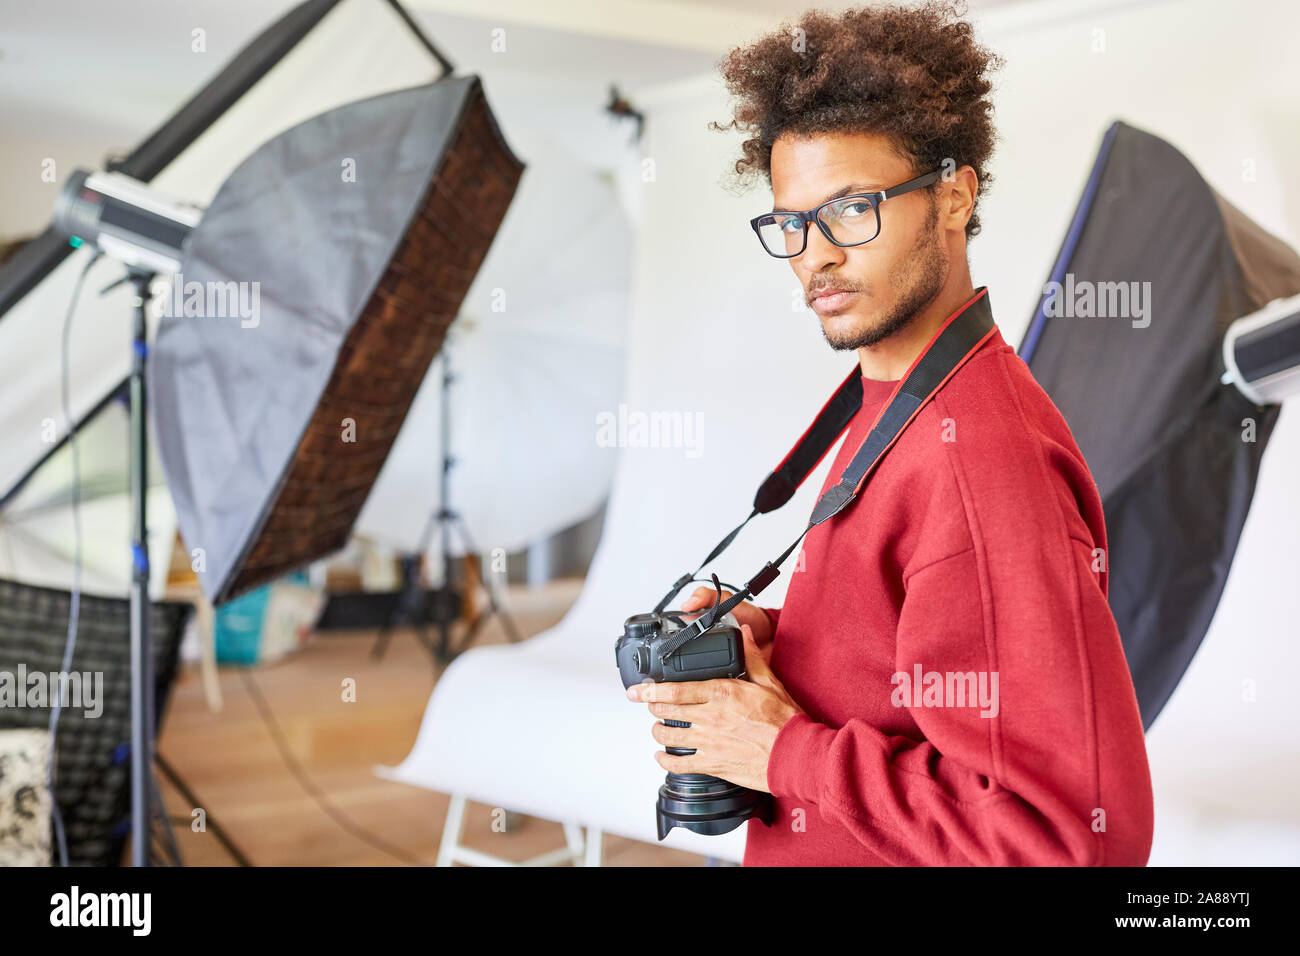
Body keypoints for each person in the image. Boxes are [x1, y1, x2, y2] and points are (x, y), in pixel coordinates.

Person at [625, 1, 1153, 866]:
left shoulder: (984, 461)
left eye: (852, 210)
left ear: (953, 193)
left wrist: (782, 751)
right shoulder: (898, 394)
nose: (816, 256)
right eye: (791, 224)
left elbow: (1074, 842)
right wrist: (772, 637)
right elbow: (904, 640)